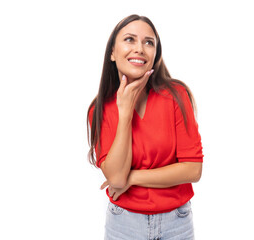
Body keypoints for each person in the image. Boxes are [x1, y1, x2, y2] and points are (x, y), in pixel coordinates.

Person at [87, 14, 203, 240]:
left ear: (155, 54)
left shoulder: (176, 96)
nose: (139, 48)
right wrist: (125, 113)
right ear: (112, 52)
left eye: (148, 42)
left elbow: (192, 170)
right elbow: (116, 180)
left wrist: (132, 178)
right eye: (129, 39)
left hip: (176, 223)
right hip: (124, 223)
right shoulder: (99, 110)